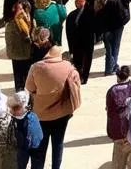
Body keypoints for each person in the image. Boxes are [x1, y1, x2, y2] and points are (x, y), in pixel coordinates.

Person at [24, 39, 81, 169]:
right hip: (62, 112)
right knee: (58, 144)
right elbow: (76, 84)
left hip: (41, 114)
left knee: (40, 146)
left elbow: (30, 88)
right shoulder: (68, 67)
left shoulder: (36, 67)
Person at [105, 66, 131, 168]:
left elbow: (110, 111)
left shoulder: (112, 91)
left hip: (118, 129)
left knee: (118, 160)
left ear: (118, 77)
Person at [63, 0, 94, 84]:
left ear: (76, 4)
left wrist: (70, 48)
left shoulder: (71, 16)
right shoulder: (90, 14)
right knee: (87, 61)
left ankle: (78, 77)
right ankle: (84, 78)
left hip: (76, 44)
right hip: (88, 43)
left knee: (77, 62)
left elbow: (68, 33)